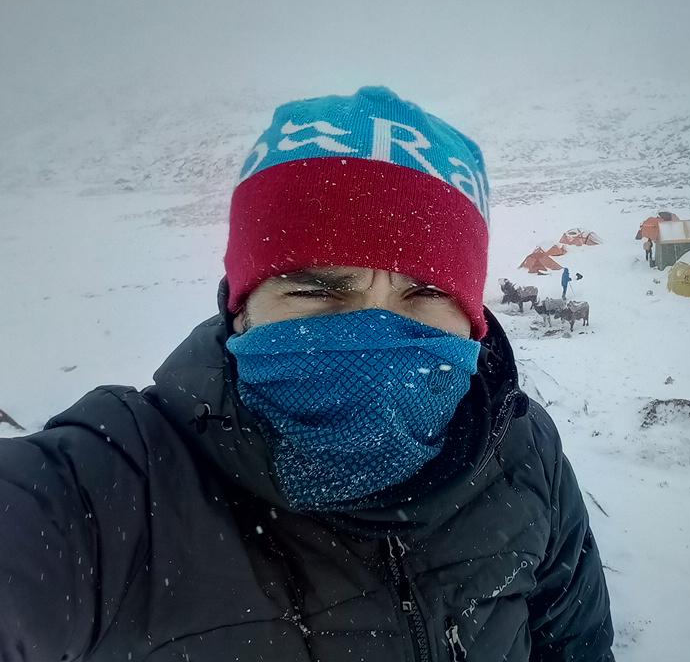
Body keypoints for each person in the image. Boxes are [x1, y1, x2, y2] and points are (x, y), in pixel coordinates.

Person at [0, 88, 614, 661]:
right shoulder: (120, 489)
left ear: (473, 323)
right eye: (317, 290)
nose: (373, 333)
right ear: (241, 309)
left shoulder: (522, 455)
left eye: (424, 293)